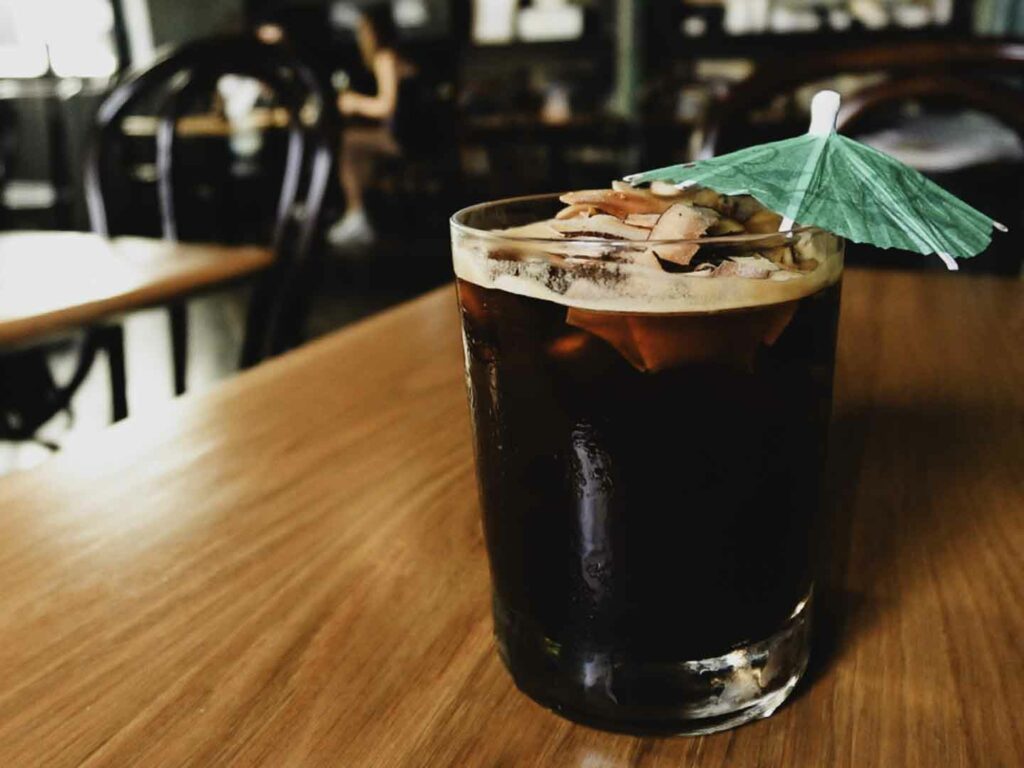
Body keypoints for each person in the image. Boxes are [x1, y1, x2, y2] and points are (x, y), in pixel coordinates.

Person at [328, 4, 418, 246]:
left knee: (346, 142)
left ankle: (356, 214)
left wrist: (354, 102)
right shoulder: (397, 54)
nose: (360, 37)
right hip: (419, 136)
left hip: (407, 139)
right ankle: (360, 214)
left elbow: (386, 105)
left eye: (363, 30)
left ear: (374, 31)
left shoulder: (384, 57)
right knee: (359, 152)